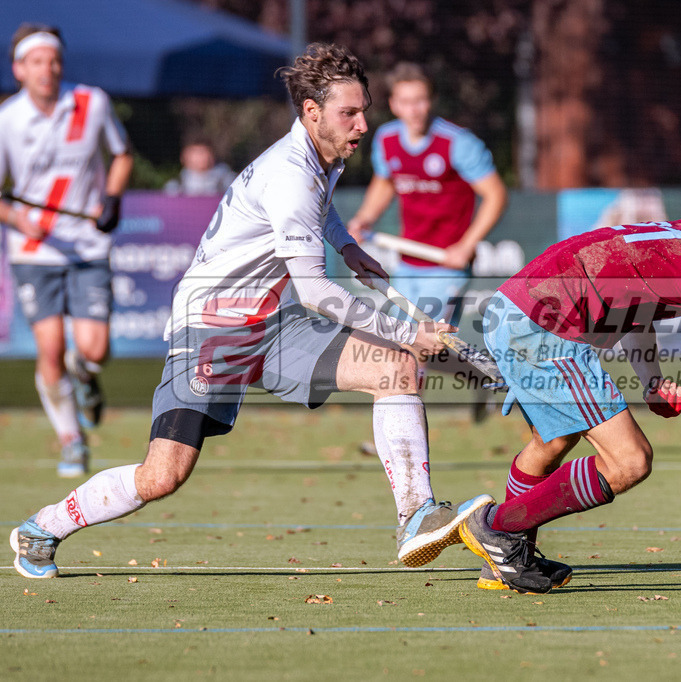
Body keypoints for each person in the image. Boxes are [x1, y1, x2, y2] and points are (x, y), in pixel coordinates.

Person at [10, 43, 491, 580]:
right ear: (312, 111)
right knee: (161, 476)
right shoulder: (290, 174)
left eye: (365, 110)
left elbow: (321, 210)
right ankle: (42, 528)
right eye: (349, 113)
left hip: (273, 324)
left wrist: (346, 245)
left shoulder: (322, 157)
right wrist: (407, 328)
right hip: (211, 329)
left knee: (396, 367)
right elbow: (318, 294)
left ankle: (415, 516)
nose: (363, 125)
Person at [457, 158, 681, 594]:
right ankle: (494, 527)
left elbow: (636, 303)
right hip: (544, 325)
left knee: (555, 440)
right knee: (630, 461)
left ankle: (506, 562)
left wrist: (651, 381)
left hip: (517, 306)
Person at [0, 24, 133, 477]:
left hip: (87, 245)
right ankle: (71, 440)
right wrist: (19, 218)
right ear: (19, 69)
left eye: (53, 60)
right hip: (34, 251)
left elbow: (122, 154)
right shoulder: (7, 119)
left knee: (94, 350)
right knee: (50, 348)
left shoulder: (90, 103)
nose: (47, 69)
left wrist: (112, 199)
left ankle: (88, 377)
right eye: (36, 62)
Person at [346, 62, 507, 419]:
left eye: (420, 100)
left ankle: (399, 431)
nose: (414, 109)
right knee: (410, 345)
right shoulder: (387, 139)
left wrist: (466, 245)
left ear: (430, 101)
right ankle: (483, 373)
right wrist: (366, 217)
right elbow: (385, 183)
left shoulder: (458, 144)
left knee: (416, 347)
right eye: (406, 101)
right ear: (394, 103)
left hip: (447, 266)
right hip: (408, 262)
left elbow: (495, 195)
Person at [163, 136, 235, 196]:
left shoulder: (230, 183)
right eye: (196, 153)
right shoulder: (175, 187)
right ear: (183, 157)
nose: (201, 157)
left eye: (203, 152)